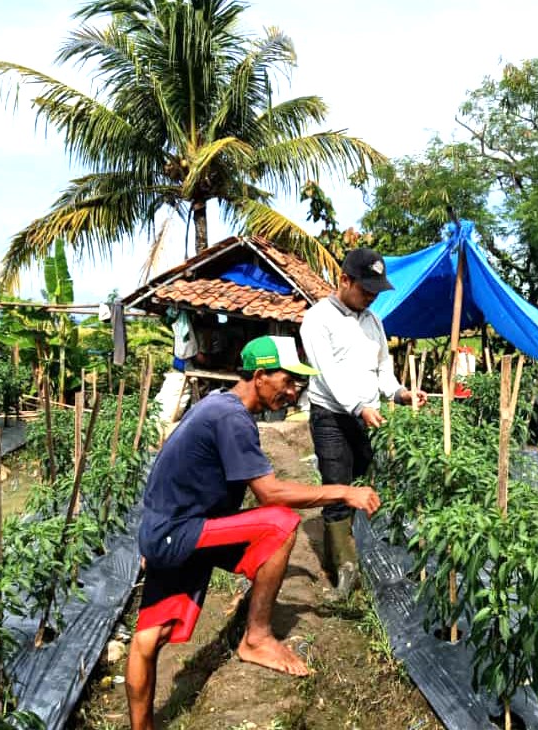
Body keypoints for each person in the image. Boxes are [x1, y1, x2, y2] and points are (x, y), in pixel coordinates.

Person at [126, 335, 381, 730]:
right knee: (279, 523)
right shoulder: (230, 417)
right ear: (260, 375)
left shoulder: (217, 407)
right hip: (180, 533)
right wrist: (344, 491)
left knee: (149, 638)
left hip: (174, 531)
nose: (294, 392)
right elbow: (270, 492)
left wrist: (155, 537)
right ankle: (256, 638)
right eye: (289, 381)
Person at [300, 248, 426, 596]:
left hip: (366, 416)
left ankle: (359, 548)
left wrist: (400, 393)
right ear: (344, 280)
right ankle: (344, 568)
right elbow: (327, 373)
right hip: (332, 416)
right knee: (338, 484)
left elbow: (382, 368)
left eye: (376, 291)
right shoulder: (318, 319)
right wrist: (358, 406)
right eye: (366, 289)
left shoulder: (373, 321)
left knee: (368, 480)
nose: (371, 296)